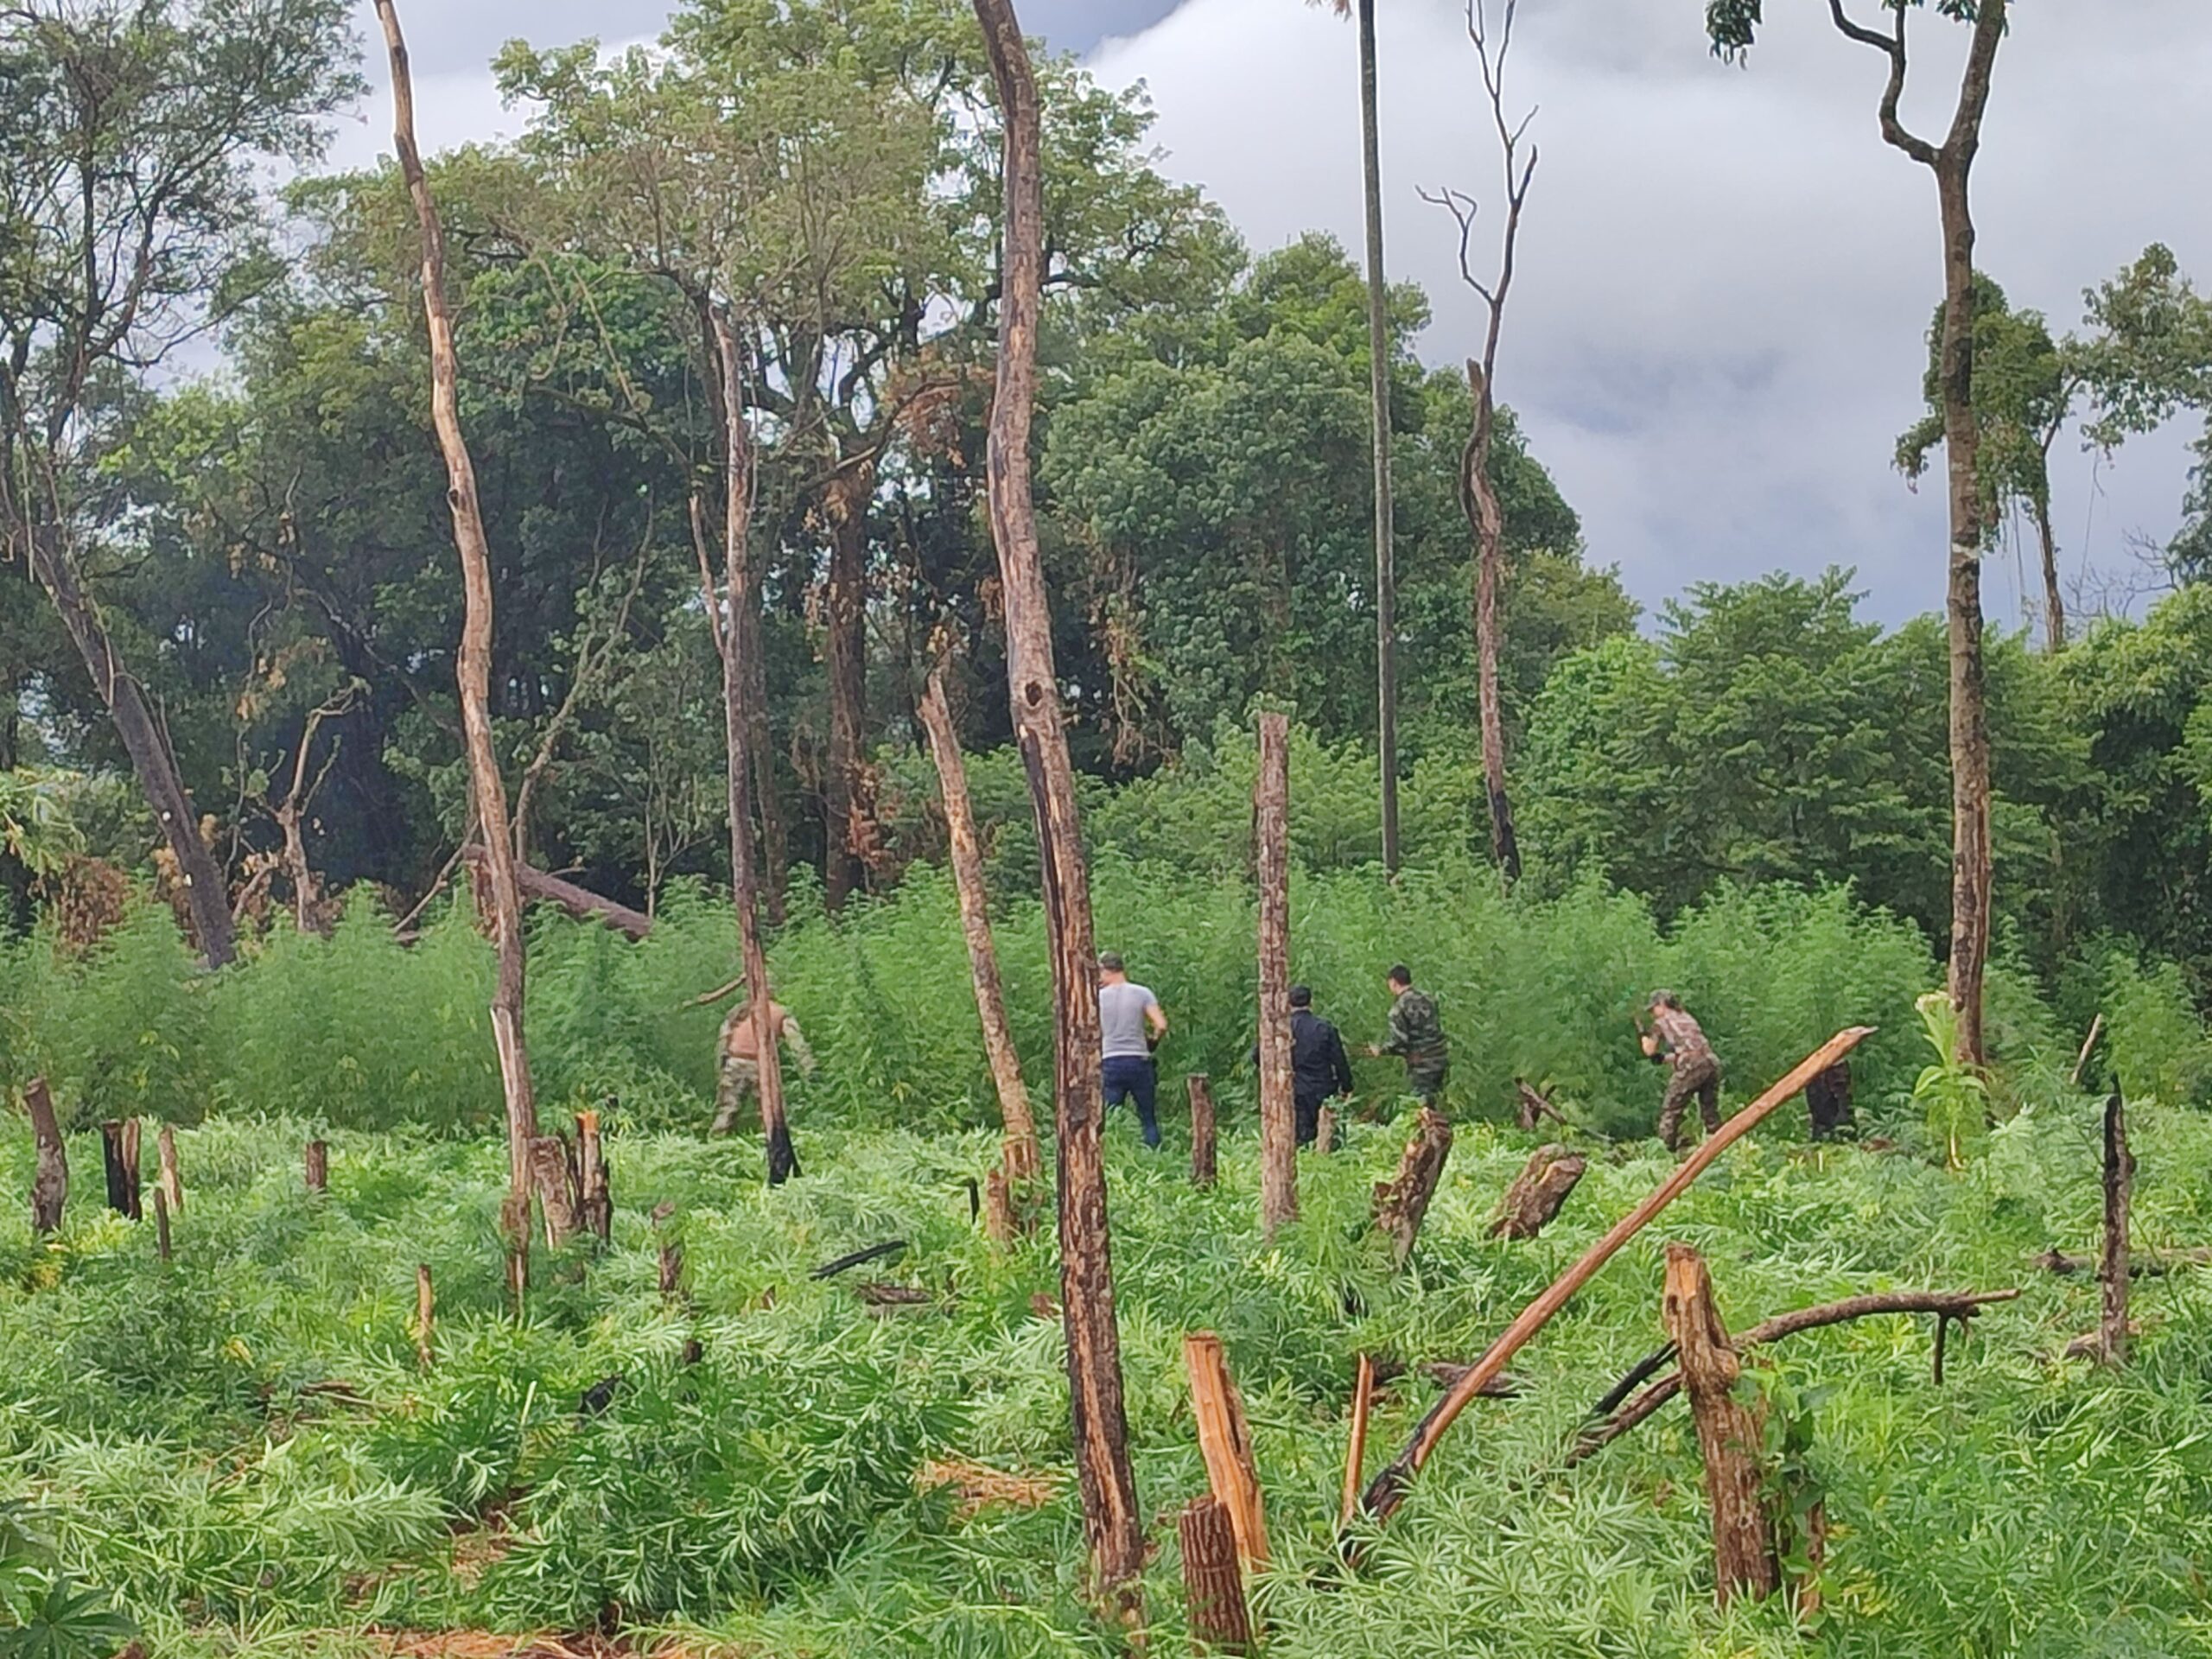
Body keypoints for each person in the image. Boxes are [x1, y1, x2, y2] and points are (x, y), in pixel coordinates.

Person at [714, 994, 817, 1135]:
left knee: (727, 1111)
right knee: (769, 1112)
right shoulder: (779, 1013)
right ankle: (772, 1144)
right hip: (761, 1066)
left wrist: (721, 1067)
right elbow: (797, 1044)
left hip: (734, 1063)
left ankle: (716, 1142)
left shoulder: (739, 1012)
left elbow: (723, 1039)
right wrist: (809, 1068)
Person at [1097, 951, 1168, 1147]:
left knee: (1111, 1118)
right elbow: (1161, 1025)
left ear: (1104, 970)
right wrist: (1153, 1041)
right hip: (1139, 1060)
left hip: (1110, 1060)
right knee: (1148, 1117)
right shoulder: (1142, 993)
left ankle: (1113, 1156)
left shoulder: (1096, 998)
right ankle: (1155, 1155)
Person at [1641, 989, 1721, 1152]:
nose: (1652, 1014)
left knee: (1671, 1110)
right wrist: (1665, 1058)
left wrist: (1643, 1035)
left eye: (1653, 1009)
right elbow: (1692, 1047)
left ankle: (1664, 1151)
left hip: (1692, 1065)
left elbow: (1649, 1050)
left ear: (1662, 1004)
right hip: (1711, 1062)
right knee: (1710, 1111)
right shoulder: (1687, 1018)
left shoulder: (1662, 1022)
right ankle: (1720, 1144)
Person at [1368, 964, 1448, 1108]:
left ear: (1393, 982)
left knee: (1421, 1106)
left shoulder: (1399, 1008)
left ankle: (1429, 1129)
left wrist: (1381, 1050)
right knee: (1434, 1101)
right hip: (1440, 1057)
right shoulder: (1429, 999)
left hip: (1422, 1064)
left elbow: (1399, 1041)